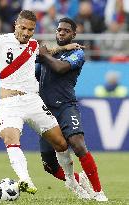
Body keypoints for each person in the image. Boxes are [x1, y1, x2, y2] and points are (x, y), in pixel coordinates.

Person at [0, 10, 90, 199]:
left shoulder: (33, 45)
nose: (26, 33)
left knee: (60, 143)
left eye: (31, 30)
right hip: (9, 103)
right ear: (16, 25)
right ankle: (25, 179)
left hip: (33, 101)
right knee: (11, 138)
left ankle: (72, 182)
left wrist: (65, 48)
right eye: (23, 28)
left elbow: (47, 51)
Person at [36, 17, 108, 202]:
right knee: (49, 166)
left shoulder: (76, 53)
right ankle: (77, 180)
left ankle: (98, 192)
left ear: (74, 34)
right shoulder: (49, 54)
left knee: (78, 144)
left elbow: (61, 68)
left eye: (66, 30)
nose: (61, 33)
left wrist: (44, 55)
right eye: (59, 30)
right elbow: (32, 73)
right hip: (45, 111)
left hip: (66, 106)